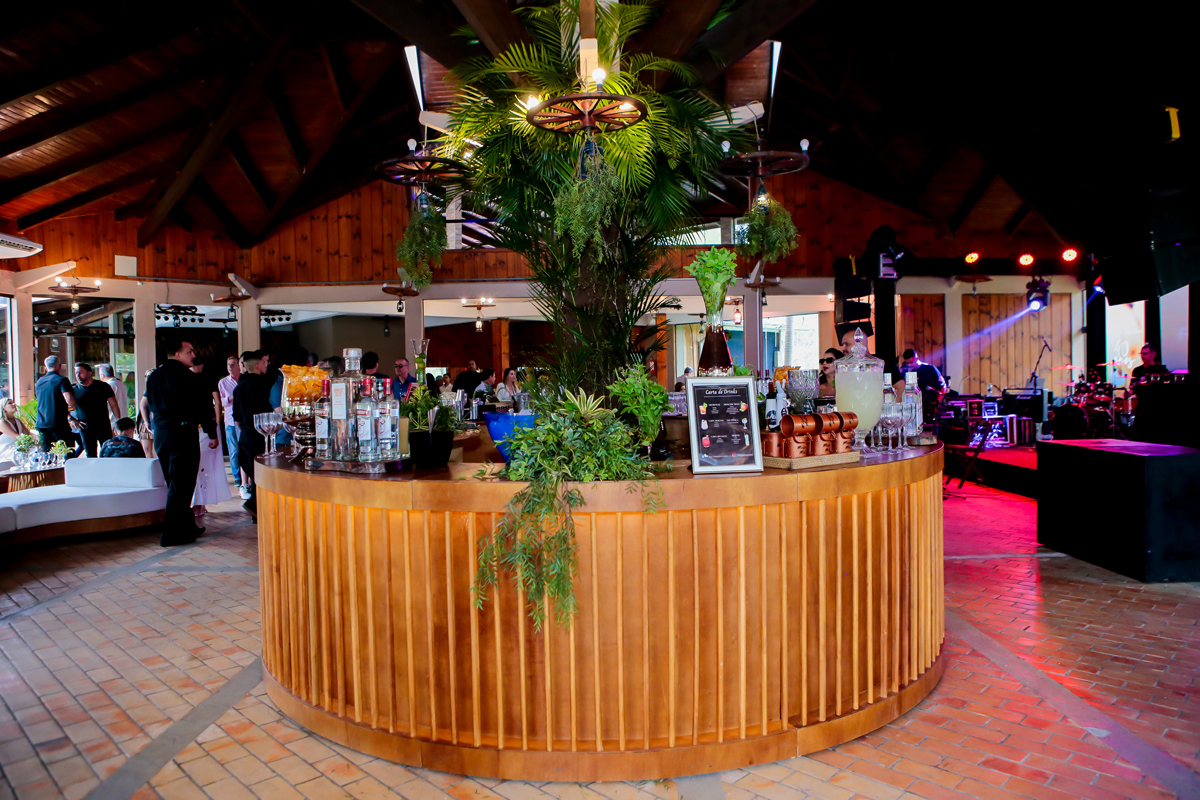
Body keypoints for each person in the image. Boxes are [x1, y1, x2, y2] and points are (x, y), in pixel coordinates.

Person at [144, 335, 220, 546]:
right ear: (177, 354)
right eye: (190, 351)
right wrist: (212, 433)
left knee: (175, 483)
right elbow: (203, 408)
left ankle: (187, 527)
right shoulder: (190, 378)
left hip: (162, 435)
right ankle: (171, 535)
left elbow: (148, 403)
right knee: (183, 485)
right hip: (183, 434)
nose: (194, 355)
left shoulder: (153, 377)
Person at [233, 350, 273, 520]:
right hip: (260, 434)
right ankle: (257, 508)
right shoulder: (263, 385)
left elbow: (236, 417)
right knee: (262, 474)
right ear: (257, 365)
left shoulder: (239, 387)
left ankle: (256, 511)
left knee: (253, 472)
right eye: (264, 363)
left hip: (245, 434)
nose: (266, 366)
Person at [71, 362, 121, 457]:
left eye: (80, 372)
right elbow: (63, 406)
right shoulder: (74, 389)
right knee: (90, 454)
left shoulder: (103, 386)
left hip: (103, 425)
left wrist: (118, 421)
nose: (77, 375)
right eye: (76, 373)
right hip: (85, 427)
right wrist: (71, 419)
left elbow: (114, 404)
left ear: (89, 373)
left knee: (107, 452)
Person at [218, 355, 248, 500]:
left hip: (243, 419)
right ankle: (237, 477)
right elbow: (222, 401)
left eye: (233, 364)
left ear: (239, 365)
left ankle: (246, 478)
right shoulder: (223, 382)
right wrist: (233, 397)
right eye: (228, 364)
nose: (230, 366)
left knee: (244, 448)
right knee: (234, 450)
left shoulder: (244, 380)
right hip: (230, 420)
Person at [34, 356, 79, 452]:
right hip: (58, 423)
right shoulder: (62, 380)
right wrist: (75, 407)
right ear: (60, 366)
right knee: (68, 449)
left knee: (47, 452)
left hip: (41, 423)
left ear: (46, 368)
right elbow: (68, 398)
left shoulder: (39, 382)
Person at [839, 327, 903, 393]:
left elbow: (901, 389)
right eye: (842, 344)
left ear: (861, 343)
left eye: (847, 344)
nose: (843, 348)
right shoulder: (843, 367)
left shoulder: (882, 364)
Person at [900, 348, 948, 418]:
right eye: (907, 363)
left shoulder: (930, 369)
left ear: (917, 358)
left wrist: (937, 402)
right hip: (912, 406)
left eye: (911, 362)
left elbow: (943, 386)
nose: (909, 365)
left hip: (928, 405)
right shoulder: (904, 371)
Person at [0, 396, 28, 462]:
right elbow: (17, 437)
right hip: (6, 452)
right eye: (10, 403)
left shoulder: (18, 421)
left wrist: (38, 438)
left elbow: (28, 434)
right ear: (4, 408)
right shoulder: (2, 422)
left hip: (17, 450)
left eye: (13, 402)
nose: (14, 404)